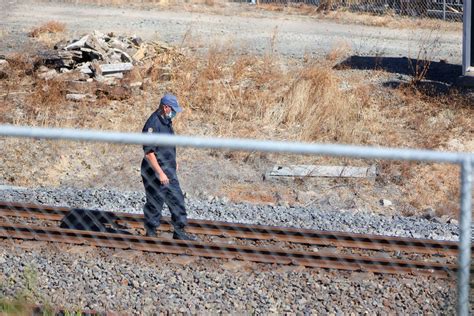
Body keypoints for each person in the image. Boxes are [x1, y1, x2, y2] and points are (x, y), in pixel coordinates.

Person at [140, 93, 196, 241]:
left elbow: (166, 146)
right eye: (173, 109)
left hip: (168, 168)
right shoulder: (153, 124)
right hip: (154, 171)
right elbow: (149, 153)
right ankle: (151, 233)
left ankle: (179, 231)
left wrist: (173, 161)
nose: (175, 112)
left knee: (177, 199)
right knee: (155, 201)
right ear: (165, 107)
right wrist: (159, 173)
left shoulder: (166, 121)